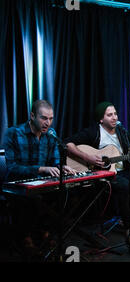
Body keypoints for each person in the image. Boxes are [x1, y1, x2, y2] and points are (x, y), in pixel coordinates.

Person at [65, 102, 130, 240]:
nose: (114, 117)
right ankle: (129, 227)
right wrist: (89, 158)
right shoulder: (93, 132)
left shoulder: (123, 133)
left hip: (122, 172)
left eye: (115, 114)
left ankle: (127, 218)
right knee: (123, 185)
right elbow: (68, 144)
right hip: (103, 174)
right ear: (101, 119)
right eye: (109, 115)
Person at [2, 99, 77, 259]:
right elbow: (12, 168)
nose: (48, 123)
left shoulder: (51, 135)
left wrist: (61, 167)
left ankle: (45, 232)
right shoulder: (13, 133)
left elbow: (55, 161)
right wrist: (40, 169)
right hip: (16, 186)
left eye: (50, 118)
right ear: (32, 116)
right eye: (44, 118)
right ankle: (26, 238)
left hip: (42, 184)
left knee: (66, 195)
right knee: (32, 201)